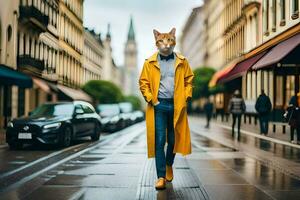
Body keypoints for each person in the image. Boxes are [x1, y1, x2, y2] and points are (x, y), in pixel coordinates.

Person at [139, 28, 194, 190]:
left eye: (169, 41)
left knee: (174, 139)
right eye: (162, 41)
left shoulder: (182, 61)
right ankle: (161, 176)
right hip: (159, 105)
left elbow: (189, 80)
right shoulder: (149, 62)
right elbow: (143, 83)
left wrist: (186, 96)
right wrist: (152, 99)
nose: (166, 44)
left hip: (177, 104)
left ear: (173, 41)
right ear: (156, 42)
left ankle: (169, 163)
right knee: (160, 140)